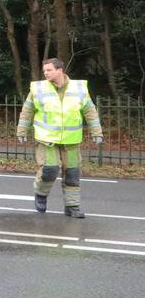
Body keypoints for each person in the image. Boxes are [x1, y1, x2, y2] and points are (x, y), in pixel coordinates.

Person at [16, 58, 103, 218]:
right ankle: (41, 194)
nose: (45, 73)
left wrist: (96, 132)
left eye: (49, 70)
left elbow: (90, 111)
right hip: (47, 139)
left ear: (60, 70)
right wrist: (22, 130)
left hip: (71, 139)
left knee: (72, 173)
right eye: (44, 71)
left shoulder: (79, 88)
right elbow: (27, 110)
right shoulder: (38, 89)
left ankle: (72, 207)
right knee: (50, 170)